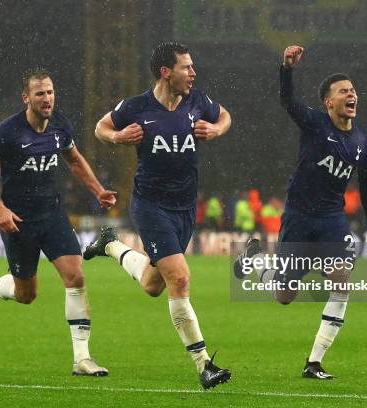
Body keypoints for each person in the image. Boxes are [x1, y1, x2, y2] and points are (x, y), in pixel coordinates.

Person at [84, 42, 232, 389]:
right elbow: (100, 128)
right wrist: (119, 136)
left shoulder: (198, 103)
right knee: (179, 278)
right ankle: (204, 364)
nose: (193, 73)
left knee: (154, 284)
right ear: (166, 72)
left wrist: (215, 130)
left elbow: (225, 116)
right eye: (186, 67)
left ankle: (110, 246)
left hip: (184, 208)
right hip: (151, 206)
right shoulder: (137, 107)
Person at [234, 45, 367, 379]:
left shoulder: (364, 140)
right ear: (329, 102)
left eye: (353, 90)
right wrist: (286, 69)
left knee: (342, 280)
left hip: (332, 218)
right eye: (344, 91)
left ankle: (313, 362)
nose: (351, 94)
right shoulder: (315, 124)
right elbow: (288, 102)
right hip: (299, 217)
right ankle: (256, 258)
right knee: (284, 295)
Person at [0, 68, 116, 376]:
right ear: (27, 98)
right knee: (26, 295)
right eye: (40, 94)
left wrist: (98, 190)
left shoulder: (60, 124)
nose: (47, 98)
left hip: (52, 215)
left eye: (50, 92)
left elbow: (73, 159)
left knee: (75, 277)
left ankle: (82, 359)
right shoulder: (8, 131)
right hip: (18, 222)